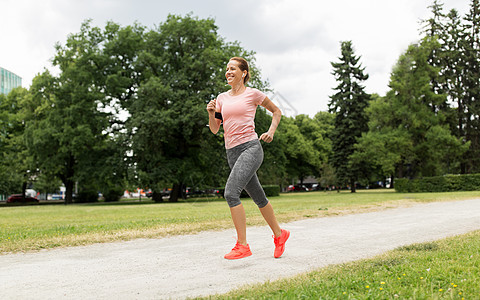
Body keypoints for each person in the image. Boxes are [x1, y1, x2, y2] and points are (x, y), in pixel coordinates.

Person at [206, 57, 290, 260]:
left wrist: (271, 131)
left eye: (232, 68)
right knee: (259, 197)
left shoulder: (253, 94)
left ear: (243, 73)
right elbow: (215, 129)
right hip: (232, 152)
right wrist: (211, 113)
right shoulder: (222, 99)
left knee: (230, 193)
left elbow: (277, 111)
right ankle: (280, 235)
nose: (228, 72)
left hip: (251, 148)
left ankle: (242, 245)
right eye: (226, 69)